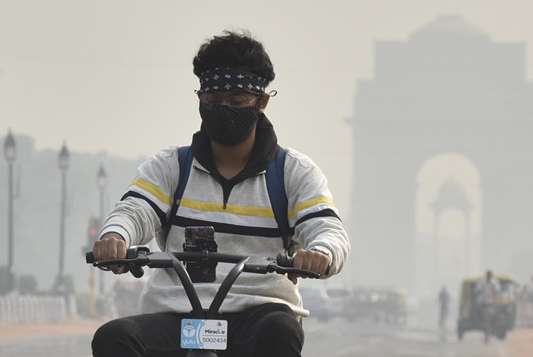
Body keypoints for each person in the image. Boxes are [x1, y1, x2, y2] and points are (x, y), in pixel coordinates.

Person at [90, 30, 350, 357]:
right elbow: (134, 210)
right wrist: (116, 236)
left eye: (237, 102)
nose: (224, 109)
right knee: (114, 337)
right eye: (213, 102)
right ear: (200, 99)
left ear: (262, 102)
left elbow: (327, 228)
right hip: (176, 314)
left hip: (258, 315)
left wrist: (321, 253)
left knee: (280, 331)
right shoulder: (172, 167)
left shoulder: (293, 173)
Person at [474, 270, 501, 343]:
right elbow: (477, 291)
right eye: (488, 275)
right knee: (485, 320)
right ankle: (487, 334)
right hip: (484, 304)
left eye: (490, 275)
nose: (489, 276)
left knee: (493, 319)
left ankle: (491, 332)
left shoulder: (494, 282)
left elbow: (497, 291)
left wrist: (494, 293)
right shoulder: (482, 282)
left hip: (492, 304)